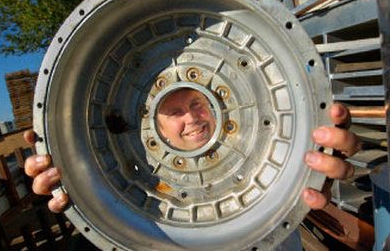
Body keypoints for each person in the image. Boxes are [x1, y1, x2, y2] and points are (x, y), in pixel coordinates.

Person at [23, 102, 360, 248]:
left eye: (198, 103)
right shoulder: (134, 203)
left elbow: (305, 157)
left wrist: (316, 166)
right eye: (173, 111)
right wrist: (73, 193)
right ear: (149, 125)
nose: (193, 118)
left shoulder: (266, 161)